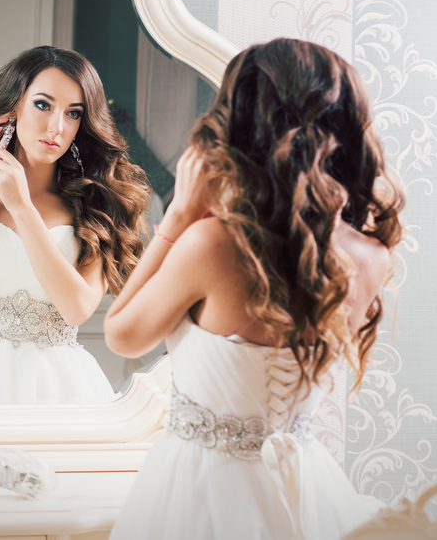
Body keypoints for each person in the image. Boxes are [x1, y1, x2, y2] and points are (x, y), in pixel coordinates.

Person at [105, 38, 405, 539]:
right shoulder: (372, 258)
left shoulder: (213, 244)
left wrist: (178, 214)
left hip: (196, 492)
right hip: (306, 491)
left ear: (239, 124)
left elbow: (122, 335)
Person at [0, 46, 151, 405]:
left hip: (60, 386)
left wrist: (21, 207)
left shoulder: (98, 204)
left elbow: (77, 309)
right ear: (14, 106)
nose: (56, 127)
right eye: (43, 105)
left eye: (73, 113)